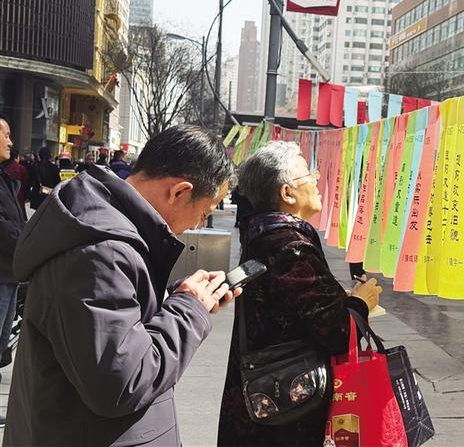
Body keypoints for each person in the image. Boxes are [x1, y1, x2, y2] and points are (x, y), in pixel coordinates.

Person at [5, 125, 240, 446]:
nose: (199, 224)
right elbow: (120, 382)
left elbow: (119, 327)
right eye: (204, 212)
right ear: (179, 192)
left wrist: (177, 298)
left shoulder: (111, 230)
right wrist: (189, 310)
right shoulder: (101, 251)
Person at [218, 141, 382, 446]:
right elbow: (336, 331)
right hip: (287, 409)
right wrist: (361, 302)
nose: (317, 180)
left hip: (264, 397)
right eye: (309, 174)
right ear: (287, 193)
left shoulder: (264, 234)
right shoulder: (290, 246)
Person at [0, 116, 26, 390]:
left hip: (9, 273)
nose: (10, 141)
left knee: (2, 339)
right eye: (6, 135)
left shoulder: (6, 179)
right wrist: (27, 242)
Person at [3, 147, 29, 218]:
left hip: (5, 199)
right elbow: (25, 184)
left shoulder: (3, 167)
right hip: (18, 198)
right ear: (16, 157)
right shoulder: (21, 168)